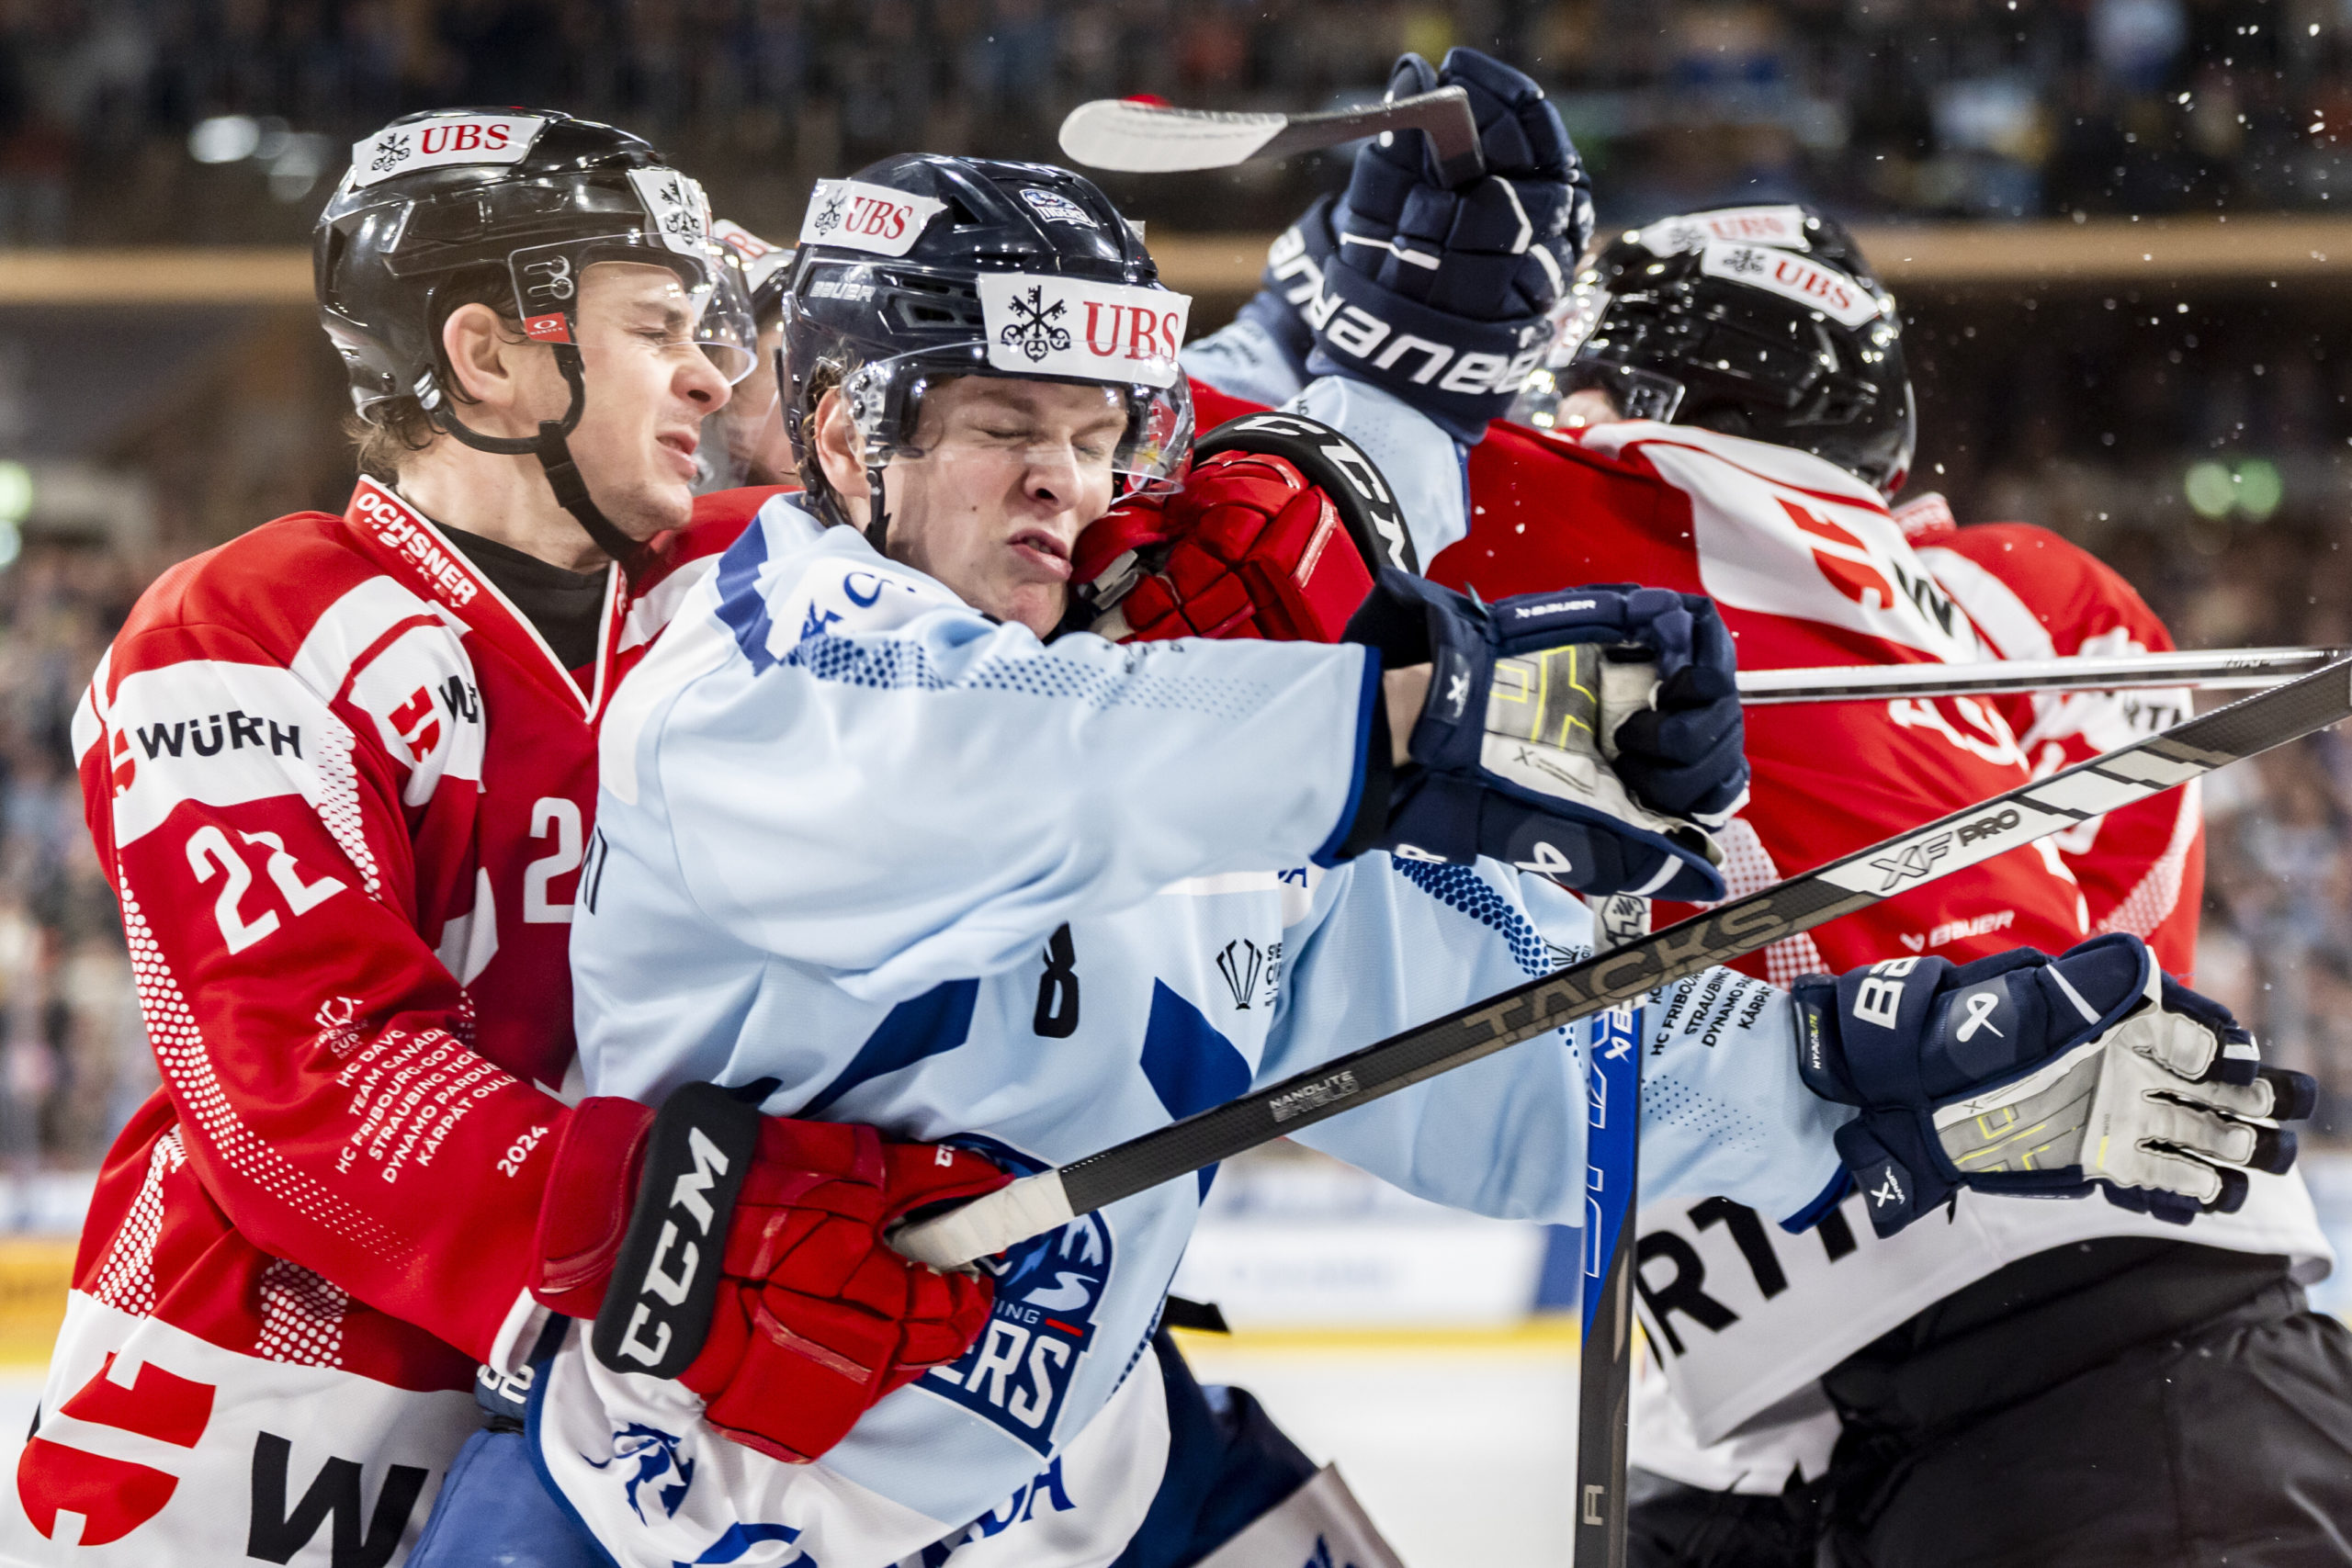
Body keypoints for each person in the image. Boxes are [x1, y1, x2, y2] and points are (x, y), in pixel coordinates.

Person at [473, 148, 2299, 1568]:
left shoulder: (1204, 762)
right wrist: (1415, 724)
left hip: (1089, 1487)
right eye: (1000, 429)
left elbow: (1531, 1059)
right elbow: (1020, 767)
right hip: (664, 1504)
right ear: (856, 432)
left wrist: (1868, 1066)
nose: (1062, 481)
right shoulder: (750, 659)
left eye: (1095, 434)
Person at [1174, 73, 2350, 1555]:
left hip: (1952, 1353)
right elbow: (2121, 945)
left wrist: (1323, 305)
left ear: (1633, 402)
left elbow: (1171, 476)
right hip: (2074, 1341)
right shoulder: (2047, 596)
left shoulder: (1608, 503)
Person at [0, 107, 1003, 1568]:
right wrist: (692, 1238)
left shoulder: (744, 591)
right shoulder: (244, 630)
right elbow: (317, 1076)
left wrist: (1349, 360)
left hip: (609, 1429)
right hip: (250, 1437)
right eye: (658, 325)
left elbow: (1037, 508)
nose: (714, 374)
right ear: (487, 358)